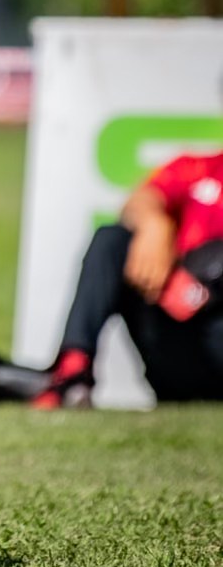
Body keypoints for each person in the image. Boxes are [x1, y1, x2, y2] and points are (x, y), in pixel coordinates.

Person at [33, 148, 223, 408]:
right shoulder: (200, 168)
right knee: (112, 240)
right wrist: (155, 224)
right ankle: (73, 370)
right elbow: (140, 200)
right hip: (177, 335)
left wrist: (204, 288)